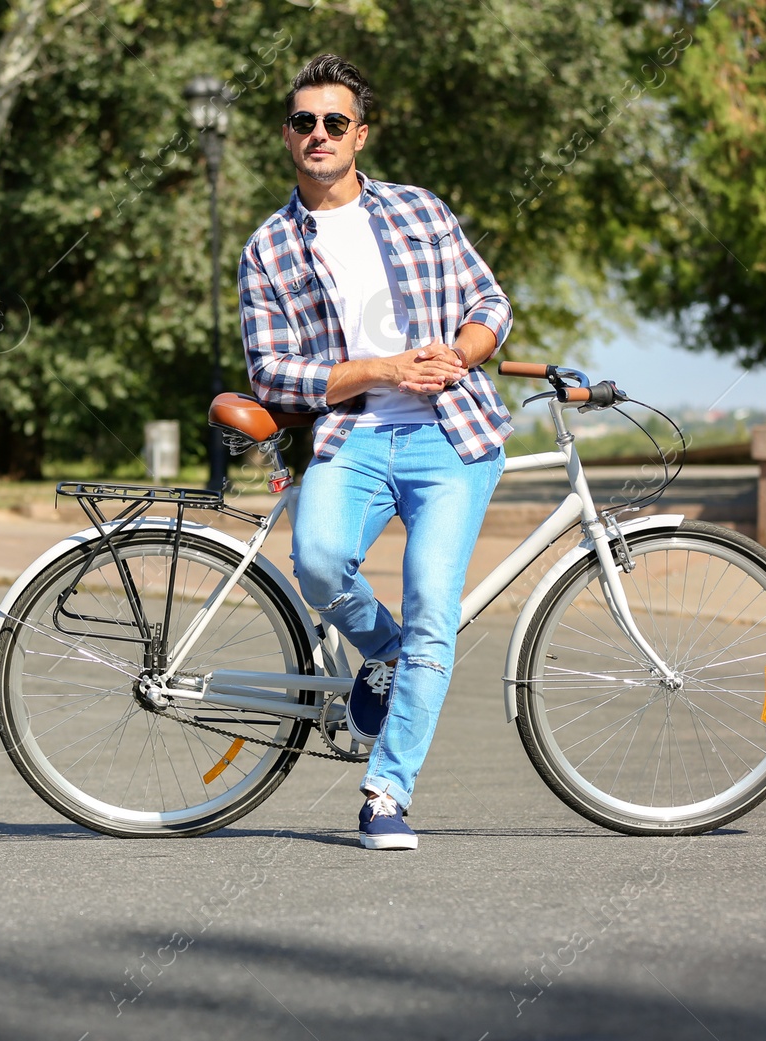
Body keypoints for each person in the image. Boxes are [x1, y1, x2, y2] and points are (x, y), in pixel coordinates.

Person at [237, 54, 513, 850]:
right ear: (288, 137)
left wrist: (459, 352)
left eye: (333, 122)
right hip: (353, 434)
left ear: (361, 133)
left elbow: (488, 299)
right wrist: (386, 368)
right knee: (318, 563)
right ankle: (383, 650)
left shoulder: (421, 211)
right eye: (302, 122)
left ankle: (386, 790)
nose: (317, 134)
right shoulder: (270, 248)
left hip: (451, 436)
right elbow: (274, 371)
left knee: (435, 606)